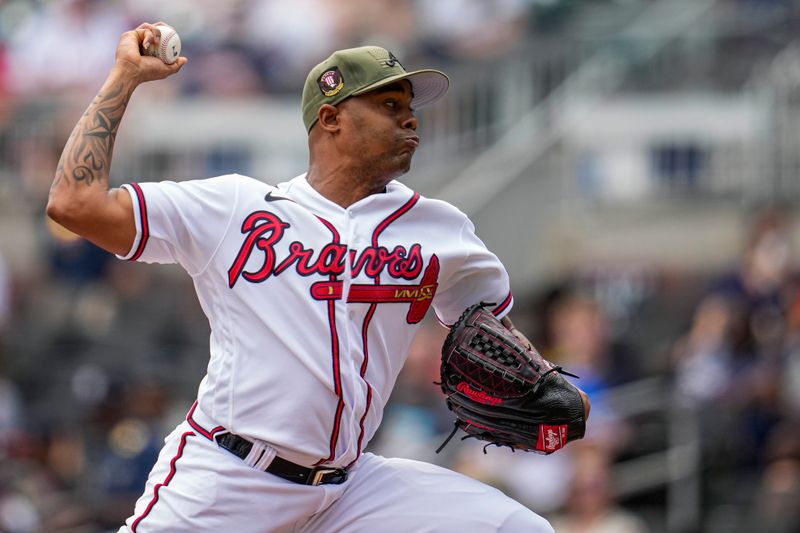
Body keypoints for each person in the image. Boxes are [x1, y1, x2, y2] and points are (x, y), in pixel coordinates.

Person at [47, 23, 590, 533]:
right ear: (331, 119)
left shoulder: (440, 229)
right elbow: (75, 203)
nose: (411, 119)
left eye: (410, 108)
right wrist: (124, 78)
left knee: (519, 528)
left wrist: (546, 383)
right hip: (229, 480)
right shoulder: (237, 208)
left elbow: (489, 327)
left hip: (350, 491)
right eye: (389, 105)